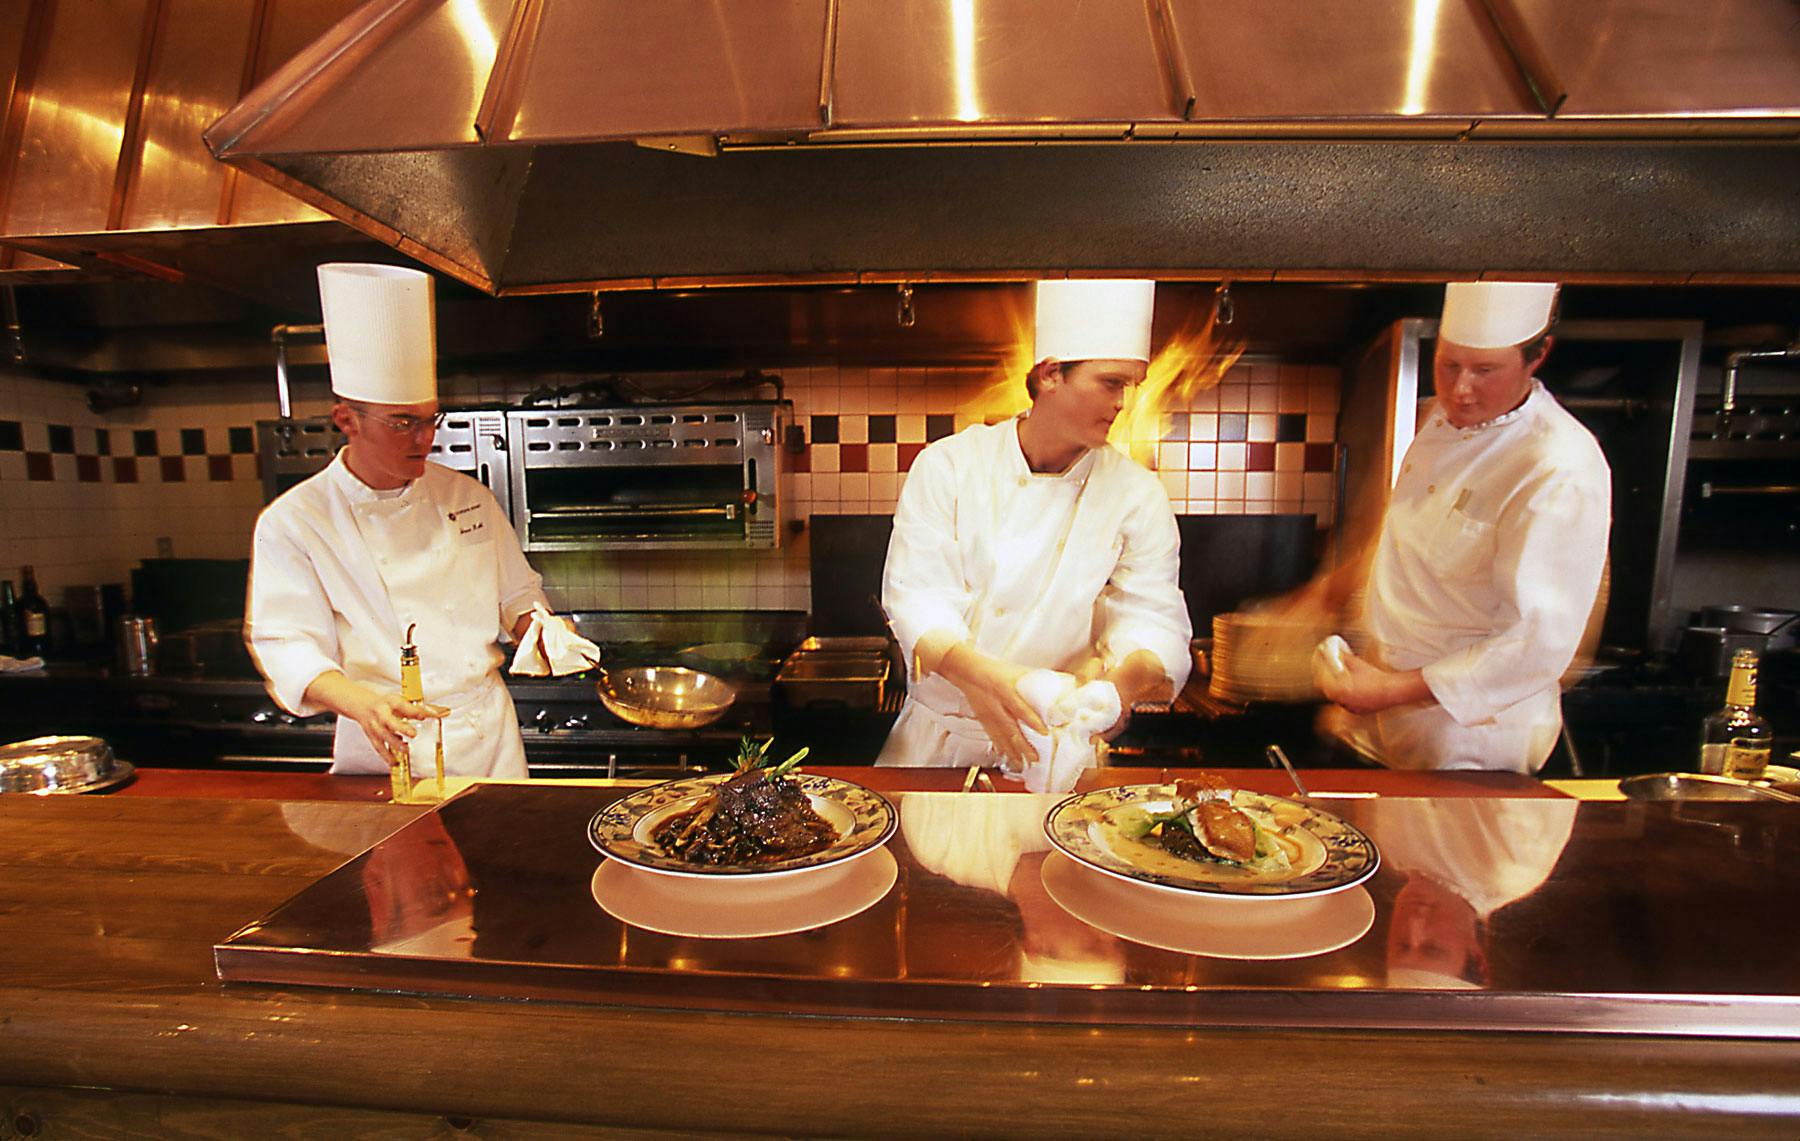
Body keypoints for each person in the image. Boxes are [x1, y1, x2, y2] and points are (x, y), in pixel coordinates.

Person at [245, 263, 549, 780]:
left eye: (431, 418)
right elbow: (287, 643)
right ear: (347, 420)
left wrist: (541, 631)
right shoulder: (295, 521)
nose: (424, 439)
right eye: (403, 423)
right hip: (386, 741)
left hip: (487, 737)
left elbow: (517, 596)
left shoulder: (467, 496)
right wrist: (362, 705)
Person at [878, 278, 1193, 771]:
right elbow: (916, 598)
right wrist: (983, 680)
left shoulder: (1138, 494)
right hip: (935, 746)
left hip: (1056, 754)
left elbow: (1154, 623)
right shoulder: (950, 466)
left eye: (1130, 386)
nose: (1123, 403)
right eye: (1111, 382)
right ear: (1050, 375)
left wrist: (1117, 692)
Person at [1314, 281, 1612, 773]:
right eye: (1449, 364)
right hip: (1396, 723)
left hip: (1474, 739)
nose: (1460, 389)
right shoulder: (1441, 422)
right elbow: (1424, 541)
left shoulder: (1559, 467)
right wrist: (1335, 588)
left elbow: (1536, 643)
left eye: (1485, 369)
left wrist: (1391, 690)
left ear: (1538, 355)